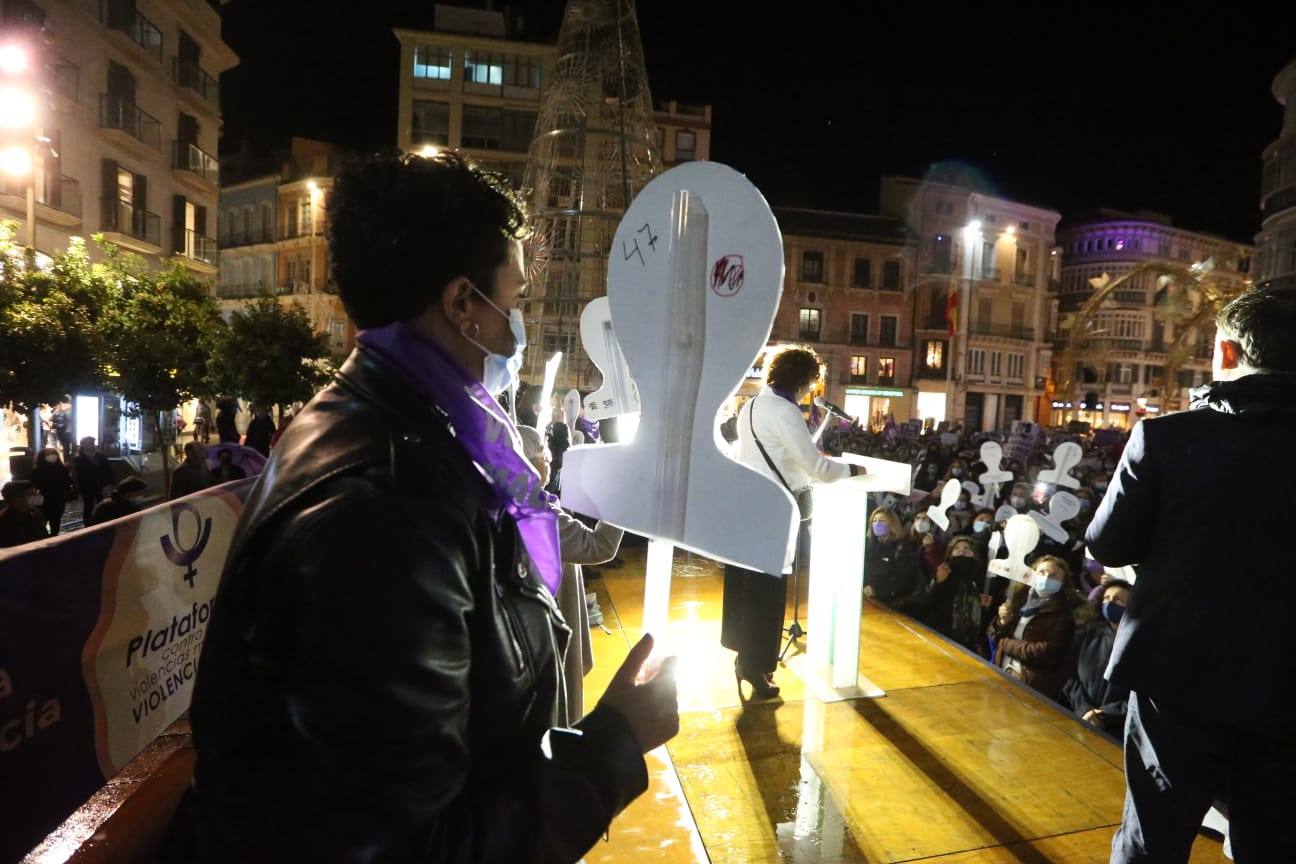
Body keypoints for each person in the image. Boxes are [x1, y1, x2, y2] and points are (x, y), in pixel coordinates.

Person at [174, 151, 675, 863]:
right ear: (464, 304)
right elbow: (412, 846)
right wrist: (614, 743)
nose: (519, 326)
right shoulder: (388, 512)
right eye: (515, 300)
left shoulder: (391, 422)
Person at [1086, 285, 1296, 862]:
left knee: (1152, 839)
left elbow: (1108, 542)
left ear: (1227, 352)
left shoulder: (1168, 437)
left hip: (1179, 673)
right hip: (1286, 684)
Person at [724, 346, 856, 700]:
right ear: (801, 380)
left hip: (746, 506)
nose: (811, 389)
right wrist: (853, 470)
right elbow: (817, 468)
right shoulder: (786, 411)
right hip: (773, 510)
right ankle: (756, 668)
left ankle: (743, 657)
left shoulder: (752, 405)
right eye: (811, 382)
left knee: (746, 587)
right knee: (767, 593)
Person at [518, 423, 623, 725]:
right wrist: (621, 499)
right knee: (559, 696)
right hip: (551, 617)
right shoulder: (539, 514)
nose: (548, 457)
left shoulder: (511, 499)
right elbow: (599, 546)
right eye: (540, 451)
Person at [991, 556, 1080, 702]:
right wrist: (1002, 621)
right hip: (1003, 673)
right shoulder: (1019, 599)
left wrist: (1005, 643)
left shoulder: (1064, 613)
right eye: (1042, 572)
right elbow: (996, 634)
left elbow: (1046, 652)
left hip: (1032, 686)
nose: (1046, 578)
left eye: (1054, 575)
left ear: (1063, 582)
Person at [1061, 579, 1131, 736]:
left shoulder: (1142, 644)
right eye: (1106, 598)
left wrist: (1104, 714)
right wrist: (1084, 708)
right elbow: (1069, 675)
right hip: (1078, 716)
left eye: (1118, 600)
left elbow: (1140, 696)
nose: (1110, 603)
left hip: (1116, 730)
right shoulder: (1088, 633)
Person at [916, 535, 985, 650]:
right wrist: (937, 582)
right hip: (941, 636)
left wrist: (979, 601)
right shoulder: (943, 571)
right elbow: (925, 601)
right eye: (957, 548)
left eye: (967, 548)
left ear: (974, 554)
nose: (961, 551)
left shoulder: (978, 576)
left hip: (967, 642)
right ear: (950, 553)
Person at [863, 507, 919, 605]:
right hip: (867, 598)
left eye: (882, 521)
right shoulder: (869, 545)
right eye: (874, 521)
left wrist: (877, 591)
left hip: (887, 603)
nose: (877, 524)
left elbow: (905, 582)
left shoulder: (901, 548)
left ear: (892, 524)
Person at [30, 447, 72, 536]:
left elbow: (67, 482)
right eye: (48, 454)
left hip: (58, 500)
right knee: (42, 523)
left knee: (55, 523)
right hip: (44, 500)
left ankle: (54, 538)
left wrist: (66, 491)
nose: (52, 456)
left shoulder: (62, 468)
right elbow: (34, 484)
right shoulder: (37, 470)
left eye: (53, 453)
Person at [0, 480, 49, 548]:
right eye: (30, 493)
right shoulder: (3, 521)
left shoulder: (36, 513)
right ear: (16, 498)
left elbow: (44, 537)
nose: (36, 495)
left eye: (36, 492)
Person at [73, 437, 111, 522]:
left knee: (102, 504)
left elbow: (108, 469)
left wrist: (109, 482)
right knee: (88, 505)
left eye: (92, 443)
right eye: (88, 443)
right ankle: (88, 523)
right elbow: (76, 473)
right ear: (83, 444)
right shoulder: (78, 457)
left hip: (100, 483)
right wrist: (77, 486)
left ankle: (100, 521)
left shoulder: (100, 455)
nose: (90, 444)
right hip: (87, 485)